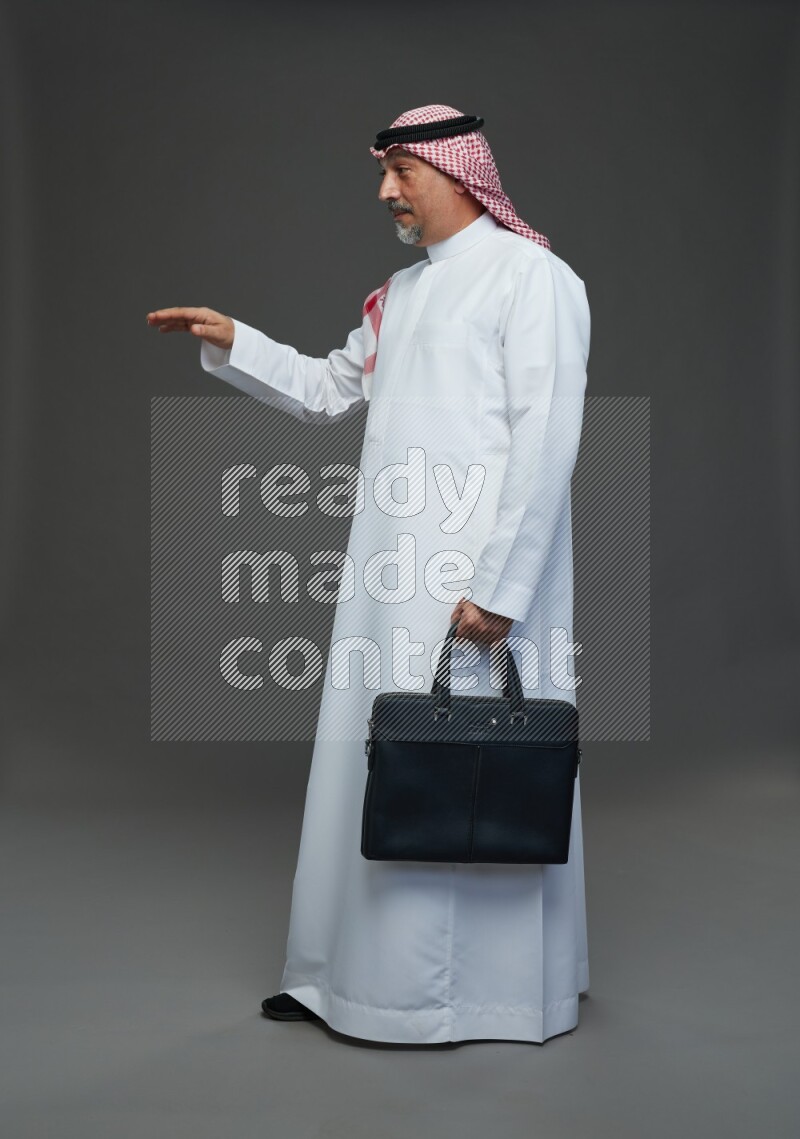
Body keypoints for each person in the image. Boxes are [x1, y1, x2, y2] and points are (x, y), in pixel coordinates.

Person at [147, 103, 591, 1044]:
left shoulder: (533, 279)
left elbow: (546, 439)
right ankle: (351, 984)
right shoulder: (401, 294)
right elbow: (324, 391)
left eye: (403, 172)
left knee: (476, 768)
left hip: (479, 581)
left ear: (460, 172)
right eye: (382, 174)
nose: (387, 191)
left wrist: (504, 592)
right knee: (386, 762)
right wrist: (236, 339)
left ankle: (488, 998)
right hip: (390, 577)